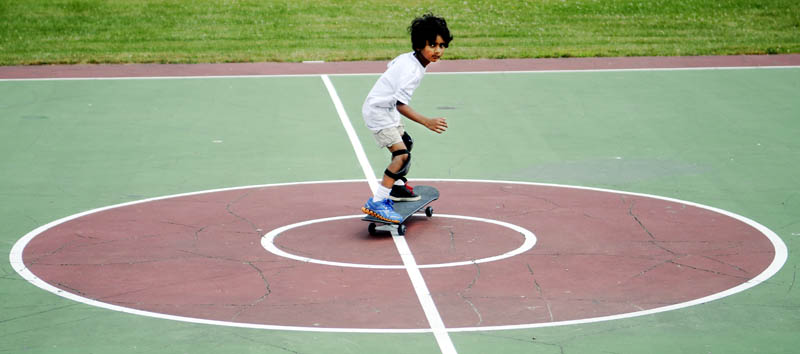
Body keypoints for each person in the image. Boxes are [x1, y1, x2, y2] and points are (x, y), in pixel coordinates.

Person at [360, 13, 453, 223]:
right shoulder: (412, 71)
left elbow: (391, 67)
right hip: (379, 111)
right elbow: (401, 104)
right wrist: (427, 121)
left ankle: (398, 188)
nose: (438, 50)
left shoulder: (409, 59)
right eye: (432, 45)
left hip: (386, 107)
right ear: (420, 44)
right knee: (401, 155)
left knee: (406, 142)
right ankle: (377, 202)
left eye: (442, 45)